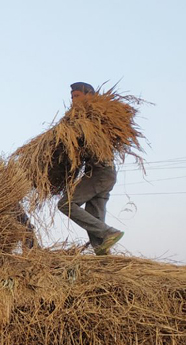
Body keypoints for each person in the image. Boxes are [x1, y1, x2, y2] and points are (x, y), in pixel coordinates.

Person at [57, 82, 124, 255]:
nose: (73, 100)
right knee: (93, 218)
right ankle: (103, 257)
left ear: (90, 96)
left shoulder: (93, 118)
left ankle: (109, 232)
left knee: (66, 204)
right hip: (103, 174)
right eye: (72, 97)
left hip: (100, 172)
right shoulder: (81, 119)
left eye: (77, 96)